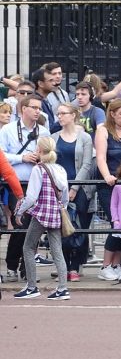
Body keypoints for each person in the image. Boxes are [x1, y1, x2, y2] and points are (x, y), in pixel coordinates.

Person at [0, 95, 50, 280]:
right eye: (34, 107)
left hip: (37, 183)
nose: (38, 111)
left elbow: (50, 155)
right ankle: (14, 266)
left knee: (33, 227)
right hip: (16, 184)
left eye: (39, 107)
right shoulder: (8, 130)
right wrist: (22, 158)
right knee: (22, 222)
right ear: (23, 109)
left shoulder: (43, 131)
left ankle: (23, 268)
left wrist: (41, 157)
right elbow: (2, 154)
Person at [13, 137, 70, 300]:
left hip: (41, 213)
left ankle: (32, 287)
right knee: (57, 251)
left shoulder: (38, 169)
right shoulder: (60, 169)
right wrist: (63, 208)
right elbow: (65, 196)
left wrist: (19, 212)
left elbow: (31, 197)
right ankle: (63, 288)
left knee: (28, 247)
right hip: (56, 213)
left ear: (39, 150)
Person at [94, 99, 121, 280]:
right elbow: (101, 158)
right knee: (116, 223)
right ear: (112, 114)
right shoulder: (103, 130)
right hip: (110, 185)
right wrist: (107, 176)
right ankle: (105, 266)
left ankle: (117, 264)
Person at [52, 103, 93, 281]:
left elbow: (86, 164)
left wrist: (75, 187)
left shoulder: (84, 138)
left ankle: (75, 266)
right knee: (61, 227)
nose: (60, 117)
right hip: (60, 187)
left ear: (73, 115)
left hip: (80, 188)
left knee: (79, 225)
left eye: (63, 113)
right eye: (58, 114)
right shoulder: (53, 137)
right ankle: (64, 266)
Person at [32, 66, 60, 133]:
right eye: (50, 80)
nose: (54, 83)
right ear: (40, 84)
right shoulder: (36, 102)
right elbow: (47, 128)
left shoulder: (45, 100)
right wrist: (64, 121)